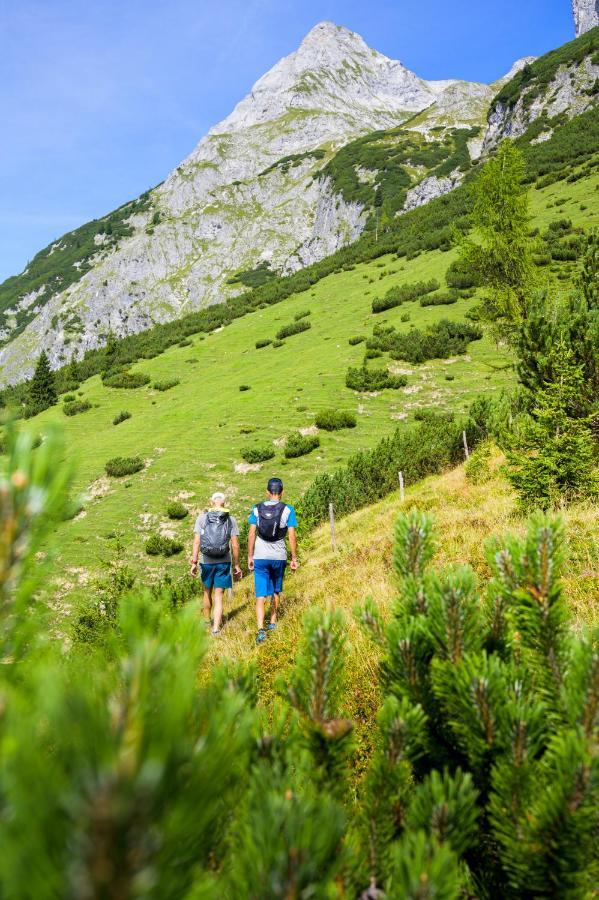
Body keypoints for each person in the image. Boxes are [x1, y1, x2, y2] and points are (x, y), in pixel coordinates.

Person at [247, 477, 298, 645]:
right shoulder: (288, 509)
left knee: (260, 594)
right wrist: (294, 557)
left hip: (260, 556)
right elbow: (291, 535)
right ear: (282, 492)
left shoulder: (256, 509)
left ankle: (261, 629)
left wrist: (250, 556)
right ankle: (273, 622)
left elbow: (252, 533)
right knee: (276, 591)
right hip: (279, 556)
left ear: (267, 492)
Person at [190, 491, 241, 635]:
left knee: (207, 592)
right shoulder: (230, 519)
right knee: (219, 595)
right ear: (224, 503)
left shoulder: (202, 518)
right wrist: (236, 565)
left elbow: (196, 541)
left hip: (206, 561)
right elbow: (235, 545)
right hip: (223, 561)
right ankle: (216, 629)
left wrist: (194, 562)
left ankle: (207, 621)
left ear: (211, 502)